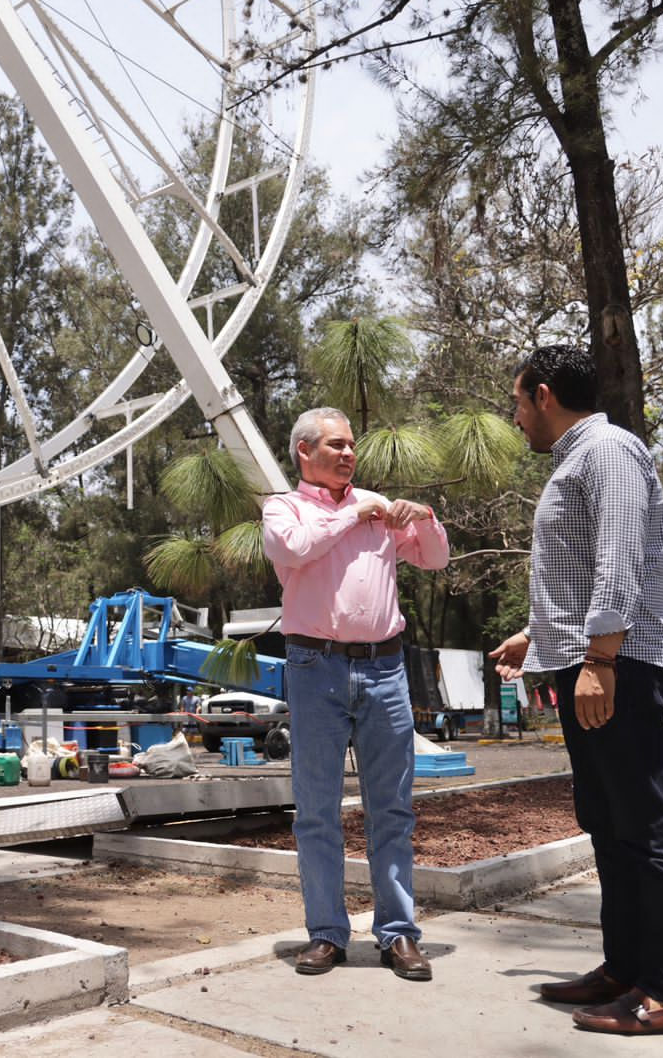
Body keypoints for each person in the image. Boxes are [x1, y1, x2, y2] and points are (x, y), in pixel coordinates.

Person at [488, 344, 663, 1036]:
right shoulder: (580, 457)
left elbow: (619, 554)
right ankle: (625, 970)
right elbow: (579, 569)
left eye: (517, 402)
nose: (516, 416)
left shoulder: (605, 449)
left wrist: (601, 657)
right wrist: (536, 634)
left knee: (646, 826)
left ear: (543, 394)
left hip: (621, 665)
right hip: (595, 658)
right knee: (611, 826)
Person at [262, 406, 449, 981]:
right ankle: (326, 934)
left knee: (391, 807)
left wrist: (424, 519)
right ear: (304, 451)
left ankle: (398, 934)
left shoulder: (376, 506)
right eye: (337, 445)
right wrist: (356, 515)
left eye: (351, 447)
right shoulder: (282, 508)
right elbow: (294, 550)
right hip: (315, 667)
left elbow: (435, 559)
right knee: (316, 808)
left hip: (385, 668)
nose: (349, 454)